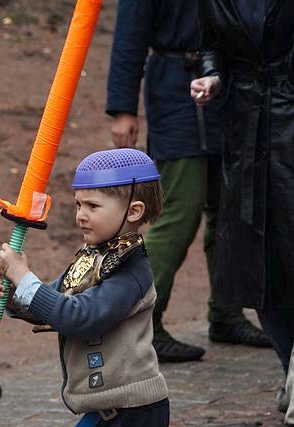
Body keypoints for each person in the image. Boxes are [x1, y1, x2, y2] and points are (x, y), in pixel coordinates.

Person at [106, 0, 269, 363]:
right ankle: (143, 323)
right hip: (174, 97)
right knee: (180, 212)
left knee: (229, 209)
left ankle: (226, 312)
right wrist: (123, 109)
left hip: (228, 92)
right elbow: (128, 39)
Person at [0, 148, 170, 427]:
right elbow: (56, 300)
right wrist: (13, 293)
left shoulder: (131, 271)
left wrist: (24, 276)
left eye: (93, 206)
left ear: (134, 210)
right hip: (104, 411)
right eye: (78, 205)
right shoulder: (92, 256)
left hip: (135, 415)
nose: (80, 215)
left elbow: (79, 317)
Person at [191, 0, 294, 427]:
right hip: (244, 133)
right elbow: (210, 43)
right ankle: (291, 371)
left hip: (291, 126)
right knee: (260, 269)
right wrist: (212, 75)